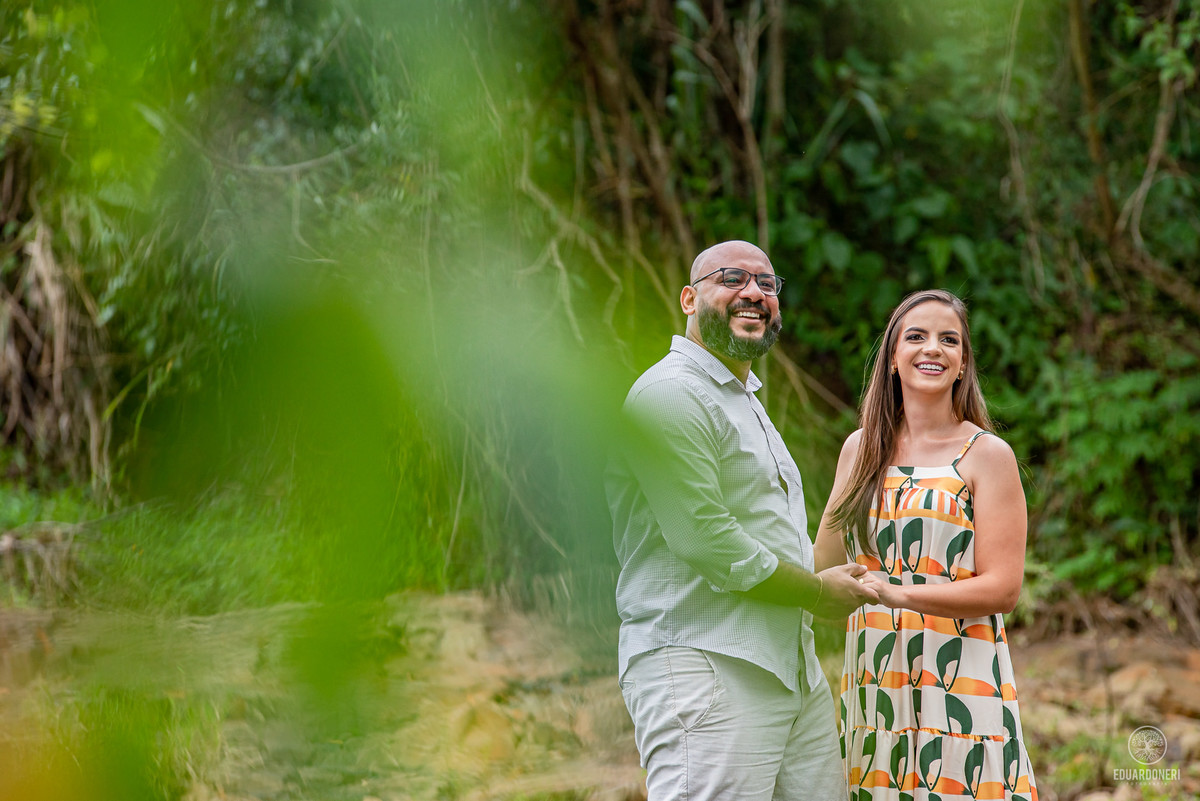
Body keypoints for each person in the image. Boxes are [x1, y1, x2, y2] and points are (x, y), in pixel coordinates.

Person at [606, 240, 877, 801]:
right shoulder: (670, 393)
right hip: (706, 664)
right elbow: (705, 538)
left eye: (767, 284)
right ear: (688, 298)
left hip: (789, 668)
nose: (754, 292)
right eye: (731, 278)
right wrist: (815, 593)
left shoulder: (740, 396)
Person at [815, 289, 1039, 801]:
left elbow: (1003, 589)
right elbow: (823, 564)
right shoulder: (860, 448)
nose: (932, 348)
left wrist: (900, 594)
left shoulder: (986, 455)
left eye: (949, 340)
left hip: (960, 672)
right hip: (877, 674)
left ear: (963, 364)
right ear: (892, 359)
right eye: (915, 336)